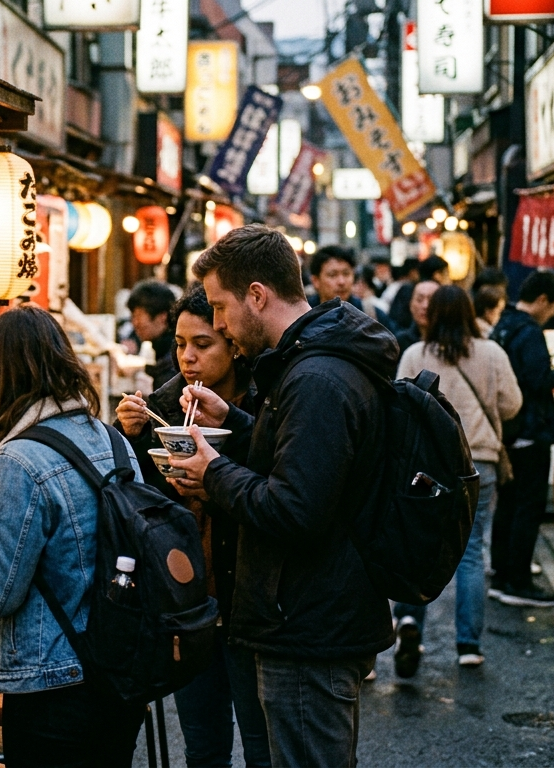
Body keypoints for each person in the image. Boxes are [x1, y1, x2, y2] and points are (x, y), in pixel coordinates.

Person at [169, 224, 398, 768]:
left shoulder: (315, 376)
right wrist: (238, 424)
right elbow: (305, 463)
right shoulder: (307, 362)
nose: (218, 323)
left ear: (256, 295)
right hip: (306, 617)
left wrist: (213, 471)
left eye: (220, 307)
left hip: (307, 624)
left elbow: (295, 508)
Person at [0, 305, 146, 767]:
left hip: (53, 690)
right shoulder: (114, 441)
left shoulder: (19, 459)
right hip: (120, 674)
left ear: (7, 375)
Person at [115, 286, 269, 768]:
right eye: (181, 344)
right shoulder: (165, 403)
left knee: (262, 745)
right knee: (203, 747)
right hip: (188, 599)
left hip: (250, 600)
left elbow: (278, 487)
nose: (188, 357)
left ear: (233, 344)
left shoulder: (265, 402)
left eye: (203, 344)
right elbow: (136, 499)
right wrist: (129, 437)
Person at [390, 287, 523, 675]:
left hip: (426, 467)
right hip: (478, 462)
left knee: (419, 544)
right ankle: (468, 645)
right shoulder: (492, 353)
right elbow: (512, 404)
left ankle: (409, 620)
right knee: (471, 550)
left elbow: (399, 407)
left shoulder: (415, 354)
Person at [489, 271, 554, 607]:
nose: (552, 313)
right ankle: (518, 581)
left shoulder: (504, 324)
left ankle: (501, 573)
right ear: (542, 299)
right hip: (530, 430)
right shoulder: (529, 332)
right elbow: (539, 381)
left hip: (509, 431)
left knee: (508, 505)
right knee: (528, 508)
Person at [307, 246, 394, 331]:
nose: (341, 282)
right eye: (332, 275)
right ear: (315, 281)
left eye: (346, 274)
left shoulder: (370, 313)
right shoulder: (305, 314)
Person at [128, 279, 181, 389]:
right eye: (133, 316)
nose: (135, 323)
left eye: (138, 315)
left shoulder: (176, 352)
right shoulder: (163, 347)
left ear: (162, 317)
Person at [389, 256, 448, 328]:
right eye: (419, 300)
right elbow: (396, 319)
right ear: (436, 274)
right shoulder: (408, 290)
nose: (425, 306)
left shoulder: (442, 292)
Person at [393, 279, 439, 351]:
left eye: (431, 300)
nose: (425, 306)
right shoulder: (399, 342)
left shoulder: (450, 342)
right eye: (419, 300)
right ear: (410, 305)